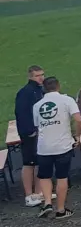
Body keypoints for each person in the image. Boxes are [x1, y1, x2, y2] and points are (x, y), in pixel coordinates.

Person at [31, 77, 81, 219]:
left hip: (43, 147)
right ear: (58, 86)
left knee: (44, 176)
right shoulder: (67, 100)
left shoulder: (37, 106)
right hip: (62, 146)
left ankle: (47, 203)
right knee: (62, 177)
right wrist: (77, 135)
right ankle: (60, 209)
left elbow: (37, 125)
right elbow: (78, 119)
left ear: (43, 89)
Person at [14, 65, 46, 206]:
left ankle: (39, 192)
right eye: (37, 75)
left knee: (40, 162)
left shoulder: (41, 91)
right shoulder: (25, 92)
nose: (41, 78)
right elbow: (21, 114)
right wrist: (30, 131)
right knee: (29, 163)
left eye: (42, 75)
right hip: (29, 133)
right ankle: (28, 195)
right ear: (30, 77)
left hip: (41, 132)